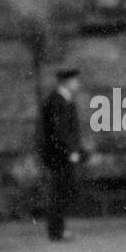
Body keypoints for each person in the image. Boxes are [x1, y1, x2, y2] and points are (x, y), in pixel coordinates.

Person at [38, 67, 83, 241]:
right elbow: (60, 131)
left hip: (60, 154)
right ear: (67, 82)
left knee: (61, 192)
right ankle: (56, 230)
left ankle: (59, 229)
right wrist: (70, 151)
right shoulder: (58, 101)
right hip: (59, 156)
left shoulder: (62, 100)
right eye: (75, 81)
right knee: (58, 193)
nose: (77, 84)